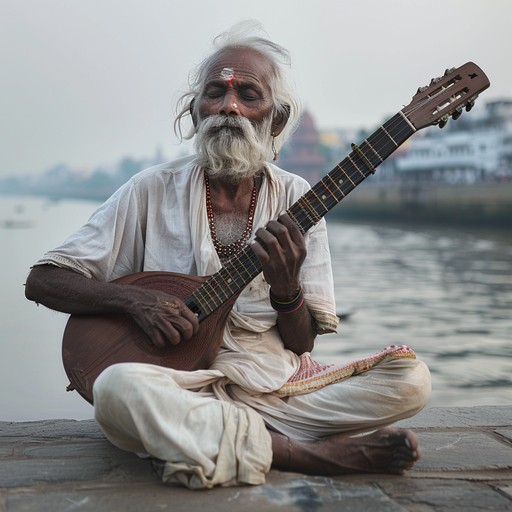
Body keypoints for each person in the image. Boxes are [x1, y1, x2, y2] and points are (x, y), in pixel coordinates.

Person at [25, 22, 431, 489]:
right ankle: (310, 456)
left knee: (411, 380)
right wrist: (135, 302)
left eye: (248, 95)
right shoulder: (149, 190)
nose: (229, 106)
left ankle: (221, 436)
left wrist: (286, 289)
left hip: (275, 388)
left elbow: (301, 345)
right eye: (215, 92)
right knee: (118, 391)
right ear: (196, 113)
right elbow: (43, 279)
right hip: (177, 385)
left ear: (275, 121)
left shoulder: (299, 198)